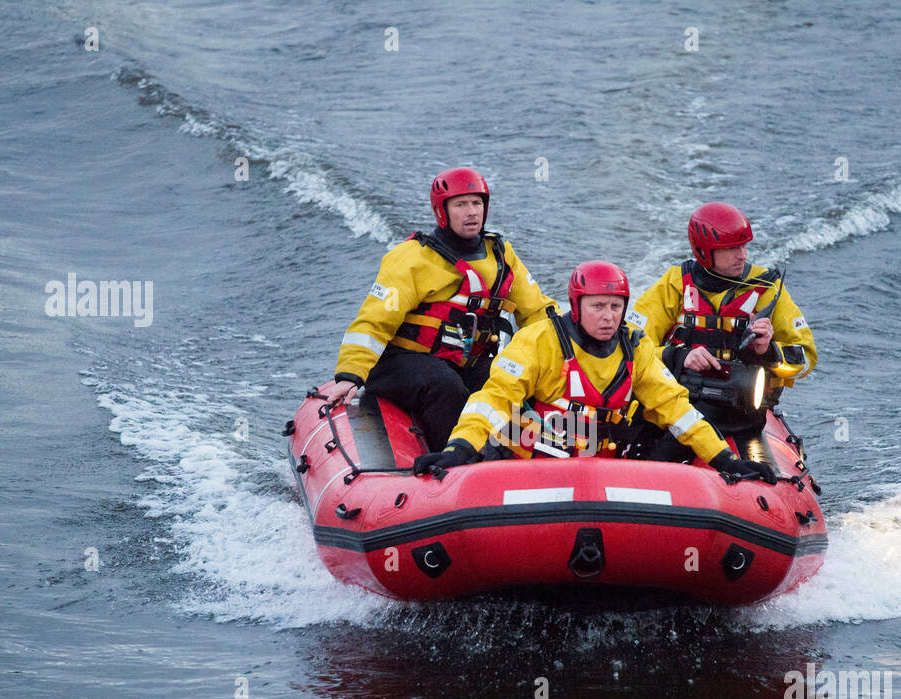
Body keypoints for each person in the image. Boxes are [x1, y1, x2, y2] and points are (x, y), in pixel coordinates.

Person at [413, 261, 776, 483]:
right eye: (598, 306)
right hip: (523, 462)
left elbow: (676, 409)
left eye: (616, 307)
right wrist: (458, 450)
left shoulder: (637, 347)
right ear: (576, 305)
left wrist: (724, 459)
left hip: (601, 468)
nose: (608, 317)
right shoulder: (538, 340)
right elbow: (492, 401)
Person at [318, 168, 558, 451]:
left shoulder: (501, 255)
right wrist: (350, 375)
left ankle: (520, 459)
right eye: (461, 204)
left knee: (507, 383)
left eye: (477, 203)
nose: (471, 212)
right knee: (446, 388)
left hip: (466, 362)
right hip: (400, 362)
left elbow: (537, 313)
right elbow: (373, 323)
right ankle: (451, 460)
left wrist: (567, 351)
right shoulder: (412, 258)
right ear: (441, 212)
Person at [627, 202, 818, 459]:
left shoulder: (767, 288)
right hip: (680, 399)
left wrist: (767, 351)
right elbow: (631, 346)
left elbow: (805, 358)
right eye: (731, 248)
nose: (743, 254)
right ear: (705, 252)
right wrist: (680, 357)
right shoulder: (675, 284)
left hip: (742, 410)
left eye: (744, 245)